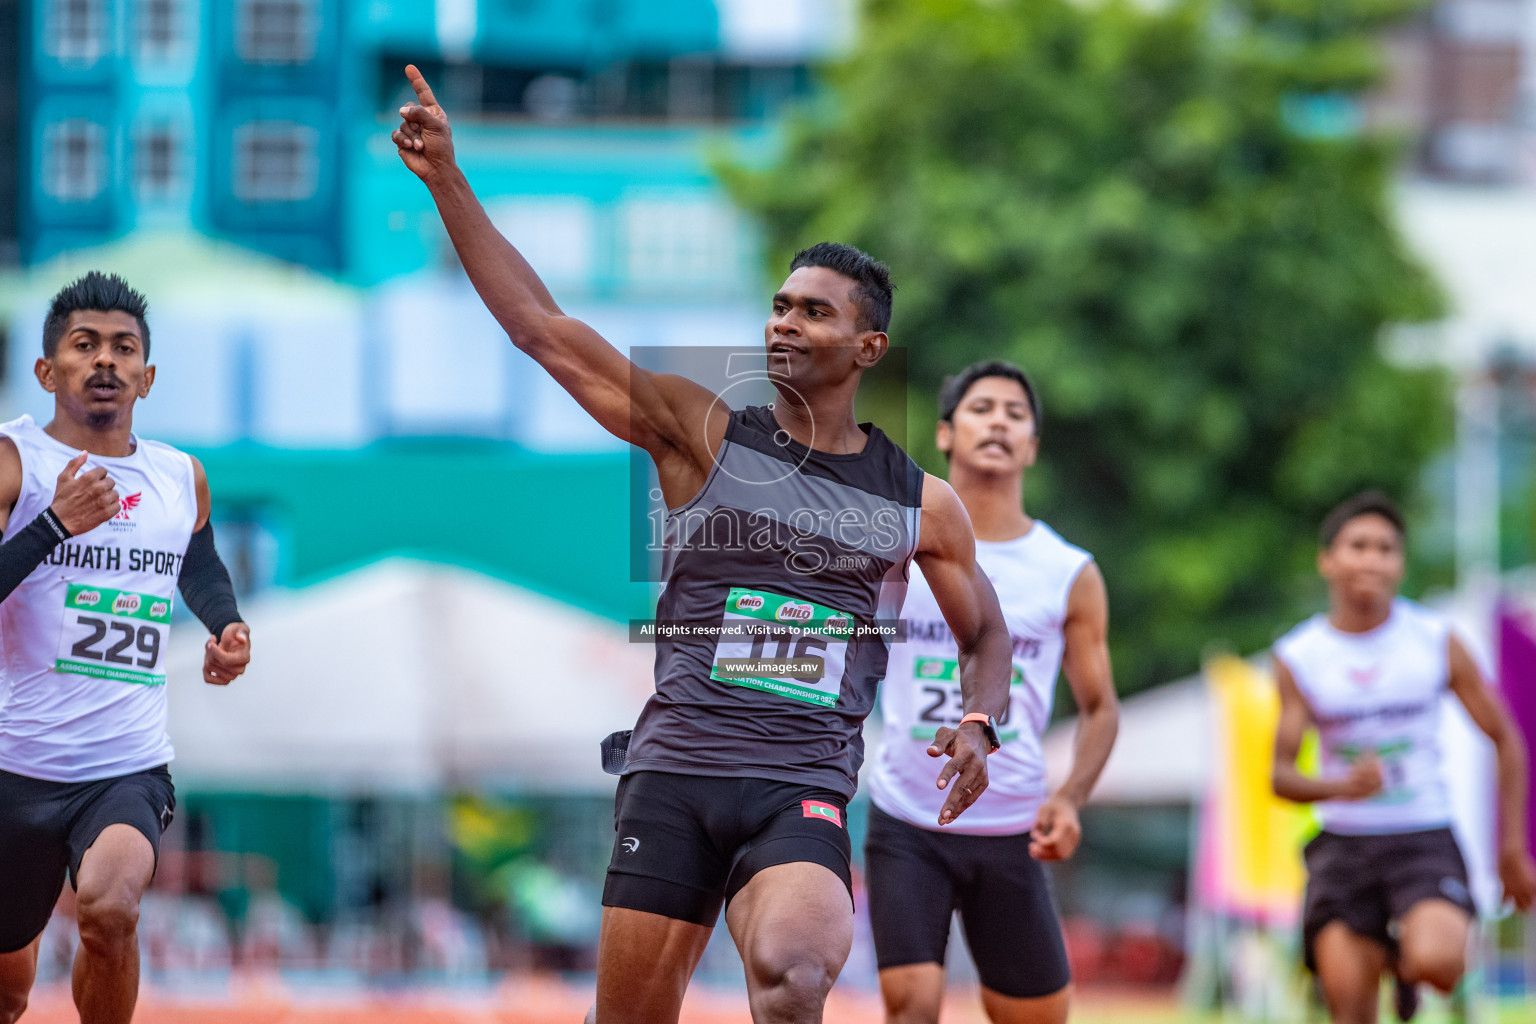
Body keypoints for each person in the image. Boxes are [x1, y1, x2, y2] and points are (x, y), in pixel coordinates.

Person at [391, 65, 1014, 1024]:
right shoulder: (705, 433)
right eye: (778, 304)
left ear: (868, 349)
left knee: (797, 976)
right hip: (676, 771)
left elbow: (986, 636)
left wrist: (978, 723)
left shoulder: (920, 505)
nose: (784, 323)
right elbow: (544, 332)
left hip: (801, 784)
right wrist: (449, 184)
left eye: (814, 311)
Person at [0, 272, 252, 1024]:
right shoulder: (17, 465)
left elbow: (197, 561)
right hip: (14, 763)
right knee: (8, 994)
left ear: (146, 375)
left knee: (110, 913)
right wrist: (52, 526)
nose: (105, 360)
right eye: (85, 345)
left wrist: (226, 625)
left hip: (123, 765)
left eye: (123, 347)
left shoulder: (180, 476)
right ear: (48, 370)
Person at [865, 361, 1119, 1024]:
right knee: (910, 1007)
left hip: (1013, 826)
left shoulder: (1070, 573)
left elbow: (1100, 708)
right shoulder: (897, 551)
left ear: (1032, 446)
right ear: (946, 434)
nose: (1000, 420)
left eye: (1016, 412)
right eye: (982, 408)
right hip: (906, 818)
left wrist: (1070, 797)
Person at [1271, 491, 1536, 1024]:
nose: (1372, 559)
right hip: (1343, 847)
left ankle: (1401, 962)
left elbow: (1507, 738)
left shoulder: (1435, 641)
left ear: (1401, 563)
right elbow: (1280, 775)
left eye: (1386, 549)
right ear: (1328, 560)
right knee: (1350, 1011)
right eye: (1358, 546)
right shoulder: (1301, 656)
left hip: (1423, 835)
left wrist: (1512, 848)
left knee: (1440, 963)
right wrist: (1338, 787)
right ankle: (1374, 956)